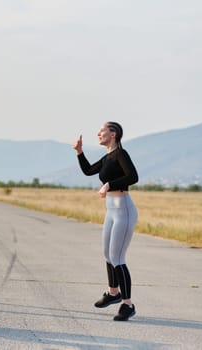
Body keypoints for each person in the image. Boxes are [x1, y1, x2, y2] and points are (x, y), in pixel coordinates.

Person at [73, 121, 139, 321]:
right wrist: (79, 152)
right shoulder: (108, 157)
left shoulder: (121, 154)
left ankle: (128, 305)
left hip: (124, 210)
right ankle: (113, 293)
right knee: (107, 255)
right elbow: (88, 170)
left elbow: (133, 177)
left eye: (102, 131)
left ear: (114, 134)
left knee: (117, 257)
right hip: (111, 210)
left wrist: (109, 184)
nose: (98, 133)